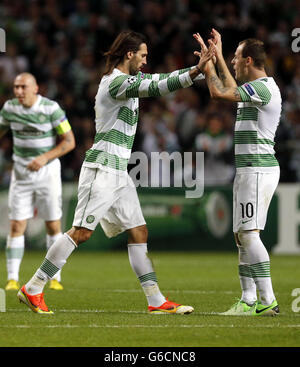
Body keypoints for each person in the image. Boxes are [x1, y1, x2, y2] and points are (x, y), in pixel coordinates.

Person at [17, 30, 212, 314]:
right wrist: (195, 70)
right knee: (81, 232)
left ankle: (156, 301)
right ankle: (34, 287)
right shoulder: (116, 83)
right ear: (129, 54)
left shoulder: (127, 81)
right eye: (143, 55)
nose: (146, 61)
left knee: (139, 231)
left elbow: (157, 81)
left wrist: (201, 71)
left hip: (118, 171)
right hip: (102, 168)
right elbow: (158, 86)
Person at [194, 29, 281, 316]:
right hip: (249, 170)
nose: (232, 62)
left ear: (249, 60)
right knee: (241, 234)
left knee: (249, 233)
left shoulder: (265, 88)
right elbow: (232, 89)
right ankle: (248, 299)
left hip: (257, 169)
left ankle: (267, 300)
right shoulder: (255, 90)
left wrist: (208, 67)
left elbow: (219, 92)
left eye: (235, 58)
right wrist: (217, 56)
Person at [0, 73, 75, 291]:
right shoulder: (9, 109)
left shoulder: (51, 109)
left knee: (52, 225)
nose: (18, 91)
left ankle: (55, 278)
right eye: (15, 87)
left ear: (35, 89)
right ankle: (12, 278)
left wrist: (44, 157)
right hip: (21, 173)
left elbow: (69, 141)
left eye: (23, 87)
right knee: (16, 225)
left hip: (47, 173)